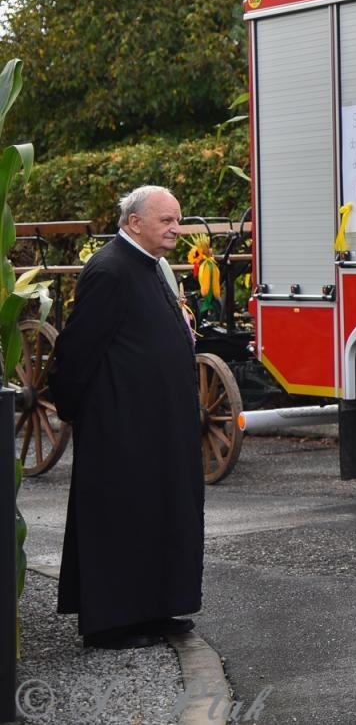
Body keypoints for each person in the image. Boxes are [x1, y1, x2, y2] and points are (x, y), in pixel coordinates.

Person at [50, 185, 204, 650]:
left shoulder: (148, 264)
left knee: (161, 510)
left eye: (178, 219)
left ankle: (155, 607)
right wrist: (76, 408)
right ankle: (110, 624)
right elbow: (78, 349)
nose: (176, 229)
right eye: (167, 221)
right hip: (122, 422)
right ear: (134, 222)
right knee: (123, 516)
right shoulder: (111, 269)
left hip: (158, 422)